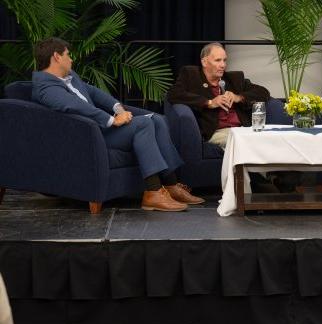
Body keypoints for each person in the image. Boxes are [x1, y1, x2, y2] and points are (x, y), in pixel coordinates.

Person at [31, 37, 204, 212]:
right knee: (143, 124)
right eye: (68, 55)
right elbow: (75, 106)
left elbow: (93, 92)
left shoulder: (70, 76)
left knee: (156, 120)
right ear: (56, 57)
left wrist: (117, 107)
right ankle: (153, 192)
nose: (71, 59)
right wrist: (112, 120)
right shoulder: (45, 87)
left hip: (100, 131)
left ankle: (171, 184)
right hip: (89, 136)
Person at [167, 42, 270, 149]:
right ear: (204, 62)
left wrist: (238, 97)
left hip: (242, 129)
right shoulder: (191, 75)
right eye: (218, 60)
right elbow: (173, 94)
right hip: (216, 132)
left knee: (265, 142)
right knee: (241, 143)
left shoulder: (234, 78)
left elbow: (263, 92)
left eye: (224, 60)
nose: (223, 65)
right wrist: (209, 102)